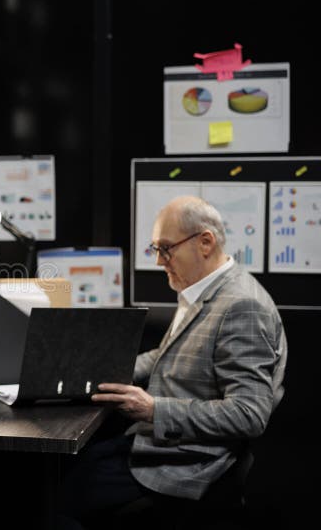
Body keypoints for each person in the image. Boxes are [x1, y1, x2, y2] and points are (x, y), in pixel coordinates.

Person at [55, 195, 287, 528]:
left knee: (57, 499)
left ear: (205, 242)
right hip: (159, 442)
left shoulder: (242, 307)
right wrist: (106, 369)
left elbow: (249, 414)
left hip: (185, 462)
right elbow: (168, 355)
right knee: (69, 470)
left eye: (166, 249)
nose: (160, 261)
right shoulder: (204, 289)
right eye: (157, 250)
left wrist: (153, 409)